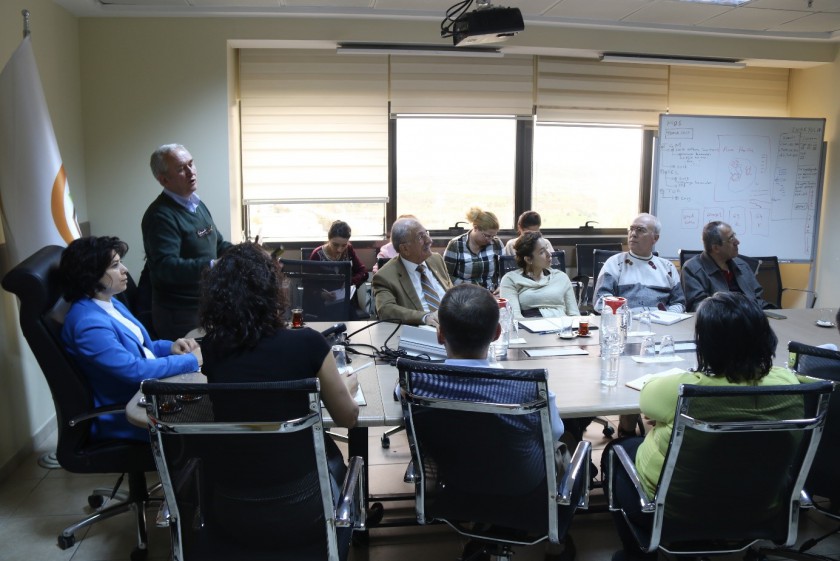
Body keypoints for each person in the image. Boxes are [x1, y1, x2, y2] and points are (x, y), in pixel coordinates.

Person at [602, 292, 800, 561]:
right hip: (761, 507)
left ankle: (637, 555)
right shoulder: (790, 385)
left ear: (705, 344)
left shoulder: (683, 389)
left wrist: (664, 418)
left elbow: (647, 404)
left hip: (676, 511)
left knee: (617, 451)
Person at [198, 242, 359, 547]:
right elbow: (348, 418)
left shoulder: (212, 348)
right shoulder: (307, 343)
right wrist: (345, 385)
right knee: (334, 457)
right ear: (273, 289)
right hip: (305, 507)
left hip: (230, 510)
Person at [425, 284, 568, 561]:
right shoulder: (530, 389)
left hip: (455, 482)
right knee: (566, 439)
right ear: (497, 333)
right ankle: (555, 541)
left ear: (440, 334)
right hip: (524, 484)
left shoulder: (418, 383)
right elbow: (555, 432)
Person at [60, 236, 202, 442]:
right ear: (91, 274)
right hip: (129, 413)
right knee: (210, 421)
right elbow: (134, 370)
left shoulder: (109, 302)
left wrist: (172, 347)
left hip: (145, 395)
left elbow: (144, 346)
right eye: (115, 265)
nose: (125, 270)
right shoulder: (88, 325)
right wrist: (189, 361)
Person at [141, 143, 232, 341]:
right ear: (164, 180)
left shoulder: (197, 205)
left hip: (205, 304)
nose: (191, 172)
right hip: (179, 313)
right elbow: (165, 267)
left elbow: (218, 245)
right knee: (193, 367)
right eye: (181, 169)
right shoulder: (160, 216)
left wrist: (247, 252)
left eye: (191, 164)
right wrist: (211, 266)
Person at [593, 213, 686, 313]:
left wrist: (668, 318)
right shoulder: (615, 263)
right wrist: (626, 317)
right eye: (631, 229)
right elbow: (601, 300)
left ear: (655, 238)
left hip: (662, 325)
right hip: (626, 324)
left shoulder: (668, 267)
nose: (633, 234)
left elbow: (679, 303)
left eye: (640, 230)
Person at [372, 217, 453, 327]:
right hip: (424, 329)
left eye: (426, 233)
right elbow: (386, 310)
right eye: (421, 237)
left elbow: (451, 291)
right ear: (405, 249)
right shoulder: (384, 276)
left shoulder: (436, 259)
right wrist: (425, 317)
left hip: (454, 324)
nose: (429, 240)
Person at [681, 220, 770, 312]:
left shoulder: (742, 265)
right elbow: (700, 309)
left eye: (734, 235)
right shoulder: (692, 269)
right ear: (716, 248)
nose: (737, 242)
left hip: (751, 319)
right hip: (719, 323)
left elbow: (757, 299)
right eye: (731, 239)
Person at [499, 231, 579, 319]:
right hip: (530, 328)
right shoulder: (510, 279)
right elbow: (514, 318)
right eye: (541, 252)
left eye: (547, 248)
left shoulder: (561, 277)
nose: (549, 254)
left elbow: (574, 314)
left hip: (562, 327)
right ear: (528, 259)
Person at [444, 207, 504, 293]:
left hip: (491, 293)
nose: (490, 239)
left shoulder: (496, 244)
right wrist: (467, 286)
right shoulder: (456, 245)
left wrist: (501, 285)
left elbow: (504, 271)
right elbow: (446, 276)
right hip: (464, 293)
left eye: (493, 236)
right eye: (487, 236)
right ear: (475, 228)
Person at [308, 220, 368, 289]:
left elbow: (362, 271)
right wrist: (322, 294)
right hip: (323, 298)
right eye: (335, 245)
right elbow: (309, 284)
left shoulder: (348, 249)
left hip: (346, 295)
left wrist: (350, 282)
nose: (339, 250)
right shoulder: (317, 255)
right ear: (329, 239)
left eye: (344, 245)